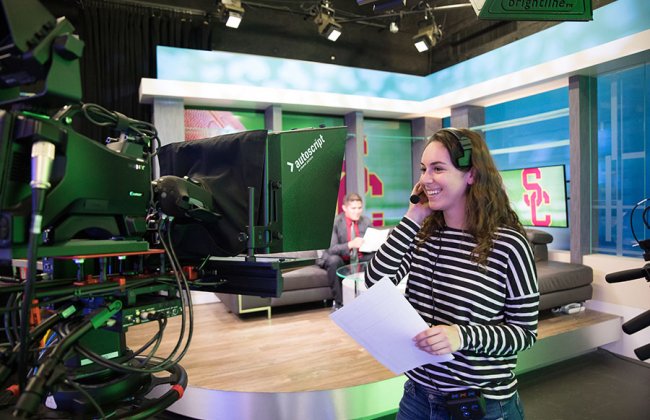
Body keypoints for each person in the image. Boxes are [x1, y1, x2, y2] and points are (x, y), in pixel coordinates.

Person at [365, 128, 538, 420]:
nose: (425, 179)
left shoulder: (509, 244)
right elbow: (375, 284)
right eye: (423, 169)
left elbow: (525, 334)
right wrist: (414, 216)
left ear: (471, 174)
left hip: (482, 405)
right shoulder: (423, 233)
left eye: (438, 169)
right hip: (418, 397)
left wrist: (461, 336)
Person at [321, 192, 373, 310]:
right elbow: (331, 248)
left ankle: (372, 301)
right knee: (333, 261)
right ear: (344, 208)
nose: (357, 211)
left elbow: (372, 238)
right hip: (340, 258)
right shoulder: (335, 222)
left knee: (375, 258)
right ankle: (340, 304)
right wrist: (350, 244)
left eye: (359, 208)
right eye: (353, 208)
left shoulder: (366, 221)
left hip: (359, 256)